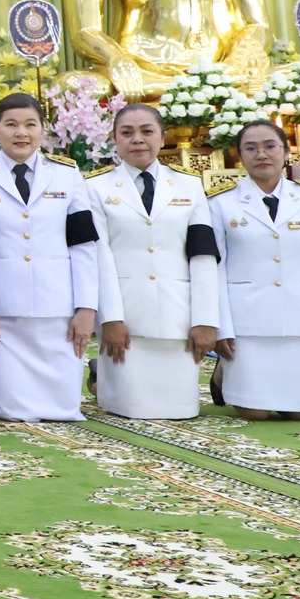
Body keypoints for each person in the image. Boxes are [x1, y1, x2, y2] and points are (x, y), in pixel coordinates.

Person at [0, 93, 100, 421]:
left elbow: (83, 245)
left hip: (58, 306)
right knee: (9, 409)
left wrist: (87, 307)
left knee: (62, 409)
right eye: (11, 125)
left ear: (44, 129)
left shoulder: (67, 175)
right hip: (1, 312)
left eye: (30, 124)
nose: (21, 133)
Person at [208, 120, 300, 420]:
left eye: (270, 146)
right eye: (251, 148)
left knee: (299, 415)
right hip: (247, 323)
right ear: (239, 156)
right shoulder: (220, 203)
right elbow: (214, 270)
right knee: (253, 413)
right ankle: (223, 374)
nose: (262, 154)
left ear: (286, 152)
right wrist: (221, 328)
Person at [86, 104, 219, 419]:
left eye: (147, 131)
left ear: (162, 137)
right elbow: (99, 255)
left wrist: (205, 319)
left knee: (181, 410)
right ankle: (99, 377)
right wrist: (110, 319)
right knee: (128, 408)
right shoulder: (95, 187)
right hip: (127, 313)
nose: (137, 140)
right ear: (114, 139)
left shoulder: (189, 186)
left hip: (178, 312)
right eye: (127, 133)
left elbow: (202, 255)